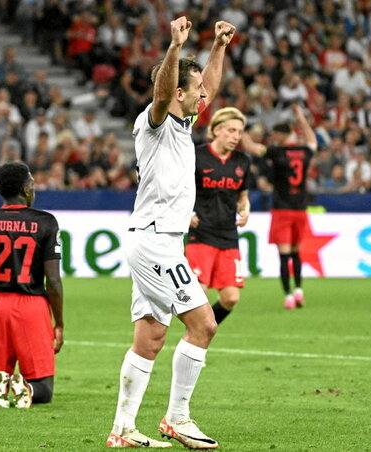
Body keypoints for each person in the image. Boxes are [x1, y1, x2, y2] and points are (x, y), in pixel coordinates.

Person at [106, 17, 235, 449]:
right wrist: (175, 47)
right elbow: (163, 93)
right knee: (204, 325)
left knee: (151, 336)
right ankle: (177, 418)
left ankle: (123, 428)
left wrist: (218, 46)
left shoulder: (185, 125)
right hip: (157, 241)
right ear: (178, 92)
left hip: (157, 239)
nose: (204, 94)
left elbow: (209, 89)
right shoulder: (156, 120)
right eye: (194, 88)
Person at [0, 161, 64, 408]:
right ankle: (25, 387)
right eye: (32, 183)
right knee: (43, 388)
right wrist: (59, 323)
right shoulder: (46, 222)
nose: (34, 188)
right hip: (32, 306)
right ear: (25, 189)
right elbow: (52, 281)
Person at [186, 107, 252, 326]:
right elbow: (178, 190)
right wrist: (186, 213)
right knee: (199, 294)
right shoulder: (196, 156)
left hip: (228, 235)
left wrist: (245, 208)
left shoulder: (242, 161)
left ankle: (203, 331)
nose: (236, 136)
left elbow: (242, 195)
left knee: (231, 297)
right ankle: (196, 339)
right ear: (216, 130)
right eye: (231, 130)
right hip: (201, 232)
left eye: (239, 132)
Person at [262, 104, 318, 309]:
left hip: (282, 209)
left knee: (284, 255)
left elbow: (254, 150)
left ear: (280, 135)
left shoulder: (277, 152)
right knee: (296, 253)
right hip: (300, 209)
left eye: (275, 135)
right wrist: (301, 118)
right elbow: (312, 139)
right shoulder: (304, 151)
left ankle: (287, 296)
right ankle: (299, 290)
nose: (273, 138)